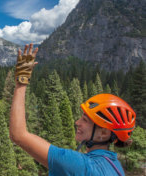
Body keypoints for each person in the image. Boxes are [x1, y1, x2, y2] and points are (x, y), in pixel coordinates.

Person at [9, 43, 136, 176]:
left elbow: (18, 135)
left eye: (85, 120)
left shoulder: (81, 166)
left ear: (103, 133)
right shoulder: (115, 165)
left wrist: (21, 83)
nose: (77, 122)